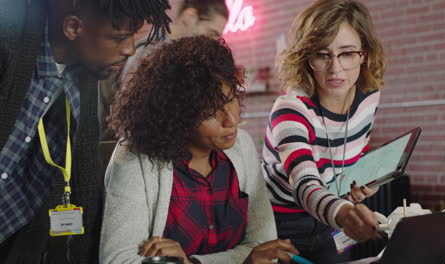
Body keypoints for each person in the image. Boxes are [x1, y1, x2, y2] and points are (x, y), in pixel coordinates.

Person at [100, 35, 299, 264]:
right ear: (178, 114)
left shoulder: (241, 147)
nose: (231, 120)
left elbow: (262, 247)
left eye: (231, 99)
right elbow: (116, 260)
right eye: (210, 111)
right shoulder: (136, 158)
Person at [0, 0, 170, 263]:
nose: (129, 50)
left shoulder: (85, 74)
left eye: (133, 38)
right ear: (73, 27)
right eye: (119, 38)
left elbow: (84, 180)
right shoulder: (8, 36)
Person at [261, 0, 386, 263]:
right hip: (281, 223)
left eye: (347, 53)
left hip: (331, 218)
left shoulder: (369, 97)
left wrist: (358, 183)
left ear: (364, 54)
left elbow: (355, 151)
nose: (335, 68)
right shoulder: (290, 108)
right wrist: (343, 211)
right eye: (322, 54)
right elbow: (304, 184)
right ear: (306, 58)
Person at [98, 0, 229, 140]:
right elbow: (132, 117)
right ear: (189, 16)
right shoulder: (152, 52)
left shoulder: (175, 57)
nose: (214, 41)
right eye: (211, 32)